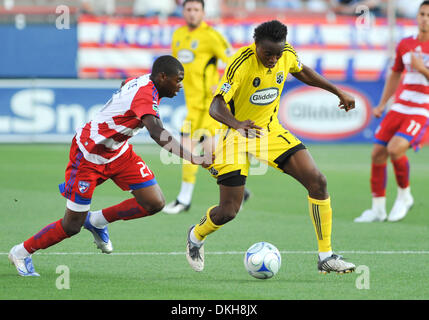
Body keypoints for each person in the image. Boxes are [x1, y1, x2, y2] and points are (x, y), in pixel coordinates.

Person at [8, 55, 211, 277]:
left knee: (154, 202)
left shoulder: (145, 82)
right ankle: (21, 252)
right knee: (72, 226)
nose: (180, 86)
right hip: (88, 154)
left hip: (118, 151)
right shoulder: (145, 92)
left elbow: (125, 85)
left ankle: (96, 220)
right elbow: (156, 132)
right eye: (178, 80)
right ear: (162, 77)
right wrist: (194, 157)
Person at [185, 20, 357, 274]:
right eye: (268, 54)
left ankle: (326, 256)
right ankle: (196, 236)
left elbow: (301, 70)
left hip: (268, 131)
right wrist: (237, 124)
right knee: (229, 210)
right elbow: (215, 107)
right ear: (256, 46)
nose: (274, 60)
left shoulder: (285, 53)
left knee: (317, 181)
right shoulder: (240, 63)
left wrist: (337, 91)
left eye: (278, 54)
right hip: (233, 133)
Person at [163, 0, 251, 214]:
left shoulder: (211, 36)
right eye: (189, 9)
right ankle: (240, 188)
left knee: (188, 149)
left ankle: (184, 200)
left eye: (196, 10)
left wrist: (221, 83)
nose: (192, 13)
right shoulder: (178, 36)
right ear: (183, 11)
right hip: (192, 105)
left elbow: (233, 61)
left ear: (203, 12)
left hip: (209, 107)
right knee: (212, 156)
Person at [355, 1, 429, 223]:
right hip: (399, 106)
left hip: (422, 108)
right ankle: (377, 209)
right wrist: (382, 103)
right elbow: (395, 74)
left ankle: (405, 196)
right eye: (422, 14)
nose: (425, 18)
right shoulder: (405, 44)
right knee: (377, 153)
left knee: (396, 149)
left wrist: (422, 69)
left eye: (428, 15)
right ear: (417, 16)